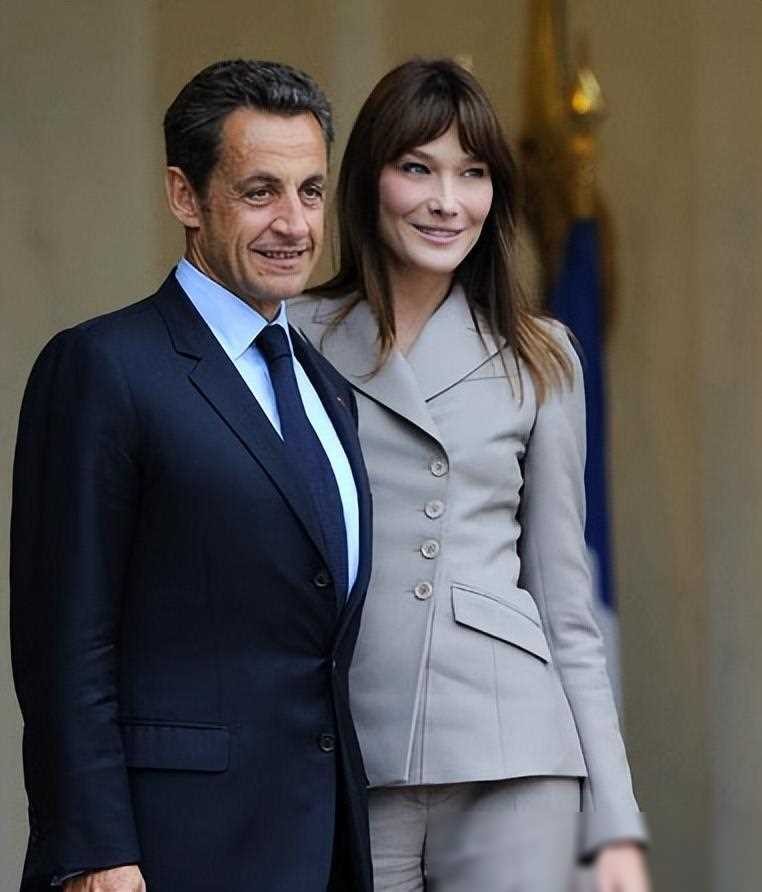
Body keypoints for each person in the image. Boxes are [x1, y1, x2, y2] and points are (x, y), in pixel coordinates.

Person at [10, 59, 373, 892]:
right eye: (260, 192)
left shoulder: (328, 391)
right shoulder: (103, 366)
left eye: (311, 192)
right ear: (185, 196)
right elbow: (64, 641)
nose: (294, 224)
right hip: (165, 853)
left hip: (319, 850)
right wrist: (94, 852)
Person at [290, 58, 650, 891]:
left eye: (473, 173)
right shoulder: (294, 339)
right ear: (369, 180)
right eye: (417, 168)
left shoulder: (542, 355)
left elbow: (567, 607)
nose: (447, 202)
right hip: (348, 749)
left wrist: (616, 825)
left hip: (512, 750)